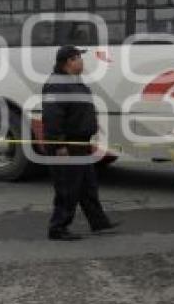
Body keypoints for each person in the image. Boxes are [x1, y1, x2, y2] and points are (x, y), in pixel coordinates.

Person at [42, 45, 120, 240]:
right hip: (67, 145)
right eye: (79, 58)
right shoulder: (57, 84)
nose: (82, 62)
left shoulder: (74, 82)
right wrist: (59, 145)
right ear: (69, 61)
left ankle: (99, 222)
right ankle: (58, 227)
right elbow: (53, 117)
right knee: (68, 188)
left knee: (88, 186)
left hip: (80, 144)